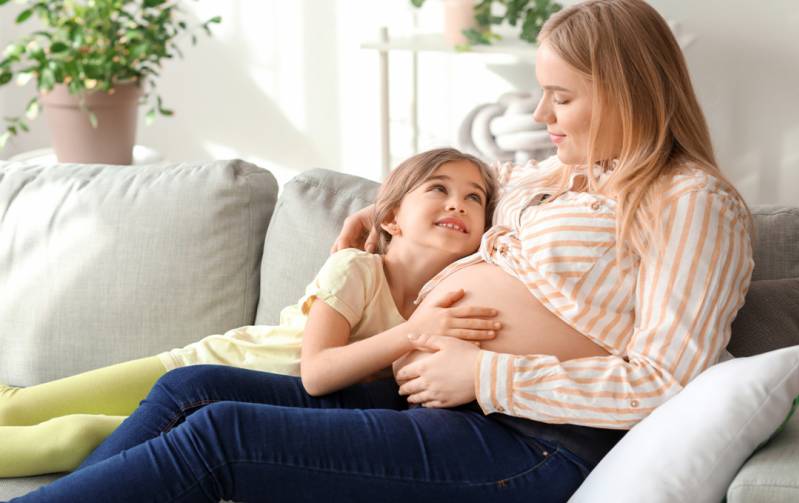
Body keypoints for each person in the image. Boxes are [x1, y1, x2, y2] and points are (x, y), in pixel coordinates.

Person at [5, 0, 755, 501]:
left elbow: (666, 380)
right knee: (192, 388)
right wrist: (377, 213)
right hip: (433, 402)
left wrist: (486, 372)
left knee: (221, 437)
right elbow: (458, 183)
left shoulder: (690, 202)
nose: (539, 113)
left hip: (531, 445)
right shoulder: (554, 175)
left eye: (561, 97)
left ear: (627, 91)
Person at [0, 147, 499, 478]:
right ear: (390, 217)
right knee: (15, 406)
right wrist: (413, 332)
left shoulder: (444, 304)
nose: (458, 203)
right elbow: (317, 373)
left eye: (473, 198)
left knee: (77, 436)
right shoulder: (356, 269)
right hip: (207, 368)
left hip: (247, 419)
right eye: (439, 189)